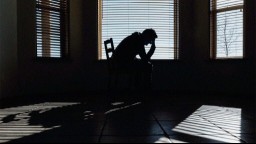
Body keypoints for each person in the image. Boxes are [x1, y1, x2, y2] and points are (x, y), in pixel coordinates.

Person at [111, 29, 158, 94]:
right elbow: (144, 59)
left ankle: (138, 89)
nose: (149, 43)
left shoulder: (136, 38)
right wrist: (152, 49)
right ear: (147, 36)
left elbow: (131, 55)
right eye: (150, 40)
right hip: (120, 63)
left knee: (142, 65)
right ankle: (146, 91)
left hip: (118, 61)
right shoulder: (138, 41)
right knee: (148, 66)